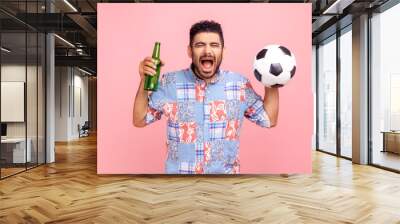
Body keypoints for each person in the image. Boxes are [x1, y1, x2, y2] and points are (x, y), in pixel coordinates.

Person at [133, 20, 279, 174]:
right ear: (190, 51)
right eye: (200, 45)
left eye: (214, 45)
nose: (207, 51)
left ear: (223, 51)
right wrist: (143, 79)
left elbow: (269, 120)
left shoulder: (239, 84)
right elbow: (139, 119)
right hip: (179, 184)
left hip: (224, 184)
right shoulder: (170, 82)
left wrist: (272, 80)